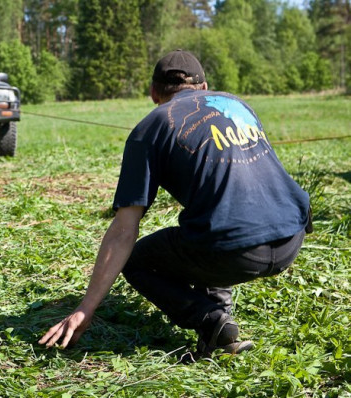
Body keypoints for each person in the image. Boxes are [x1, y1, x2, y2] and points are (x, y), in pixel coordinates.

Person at [38, 50, 312, 359]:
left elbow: (123, 231)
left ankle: (211, 320)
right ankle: (221, 331)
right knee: (205, 224)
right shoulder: (238, 105)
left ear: (154, 93)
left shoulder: (150, 127)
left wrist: (86, 308)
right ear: (205, 88)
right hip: (292, 236)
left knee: (137, 260)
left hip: (235, 250)